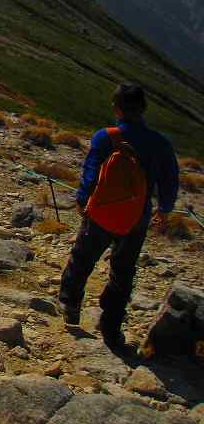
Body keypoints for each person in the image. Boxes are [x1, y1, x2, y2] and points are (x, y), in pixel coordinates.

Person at [58, 83, 179, 352]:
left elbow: (91, 173)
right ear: (144, 109)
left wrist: (82, 200)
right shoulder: (160, 143)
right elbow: (169, 181)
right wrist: (165, 208)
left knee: (83, 256)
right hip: (137, 217)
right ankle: (111, 328)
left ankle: (70, 304)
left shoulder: (106, 137)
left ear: (116, 108)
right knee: (123, 271)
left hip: (101, 212)